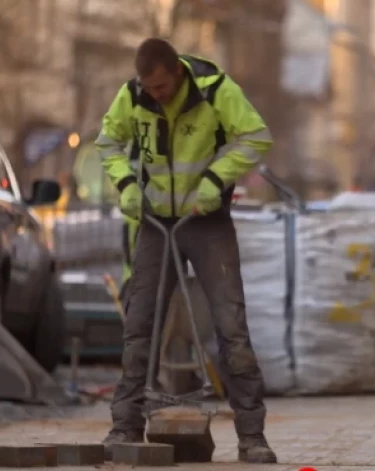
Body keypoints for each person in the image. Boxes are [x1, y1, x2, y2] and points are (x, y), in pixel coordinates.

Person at [95, 38, 276, 462]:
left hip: (206, 222)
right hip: (157, 223)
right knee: (140, 324)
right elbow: (107, 143)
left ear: (177, 73)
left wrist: (215, 181)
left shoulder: (215, 90)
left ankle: (252, 437)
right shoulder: (133, 94)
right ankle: (124, 426)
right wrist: (125, 186)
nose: (154, 95)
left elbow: (256, 136)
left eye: (161, 87)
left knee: (231, 326)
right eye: (148, 88)